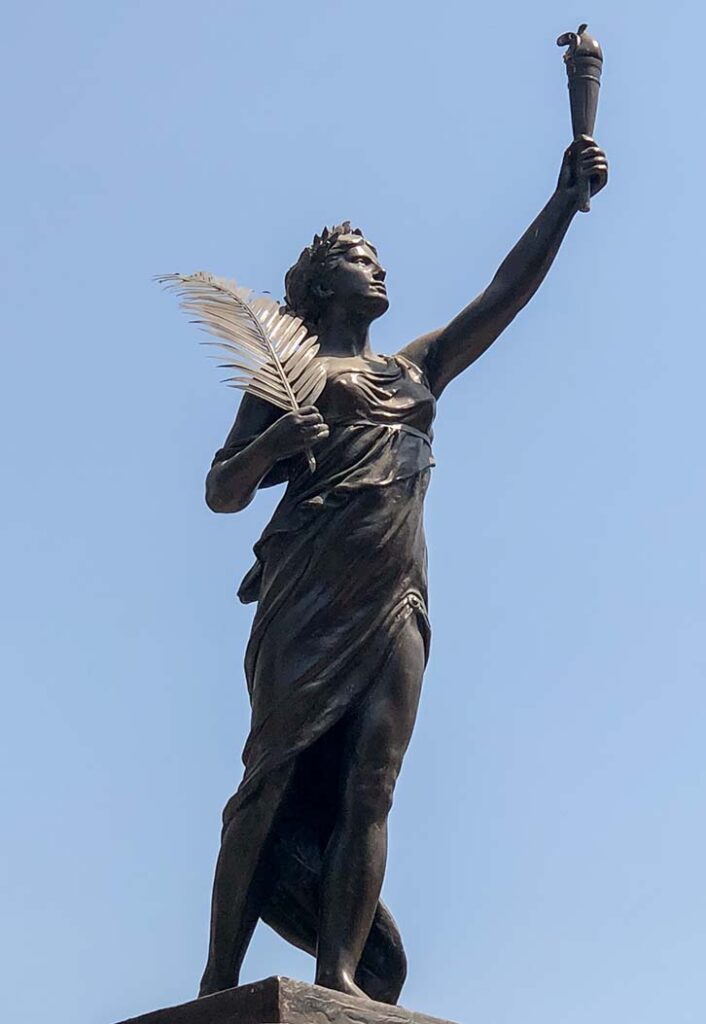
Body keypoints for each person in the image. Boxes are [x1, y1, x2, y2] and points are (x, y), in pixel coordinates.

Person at [198, 137, 608, 1002]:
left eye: (377, 257)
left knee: (371, 784)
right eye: (357, 259)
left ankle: (339, 971)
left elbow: (503, 294)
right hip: (307, 600)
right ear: (316, 287)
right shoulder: (288, 379)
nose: (376, 268)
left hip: (396, 599)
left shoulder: (415, 368)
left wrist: (563, 201)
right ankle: (218, 977)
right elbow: (221, 492)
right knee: (271, 779)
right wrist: (274, 442)